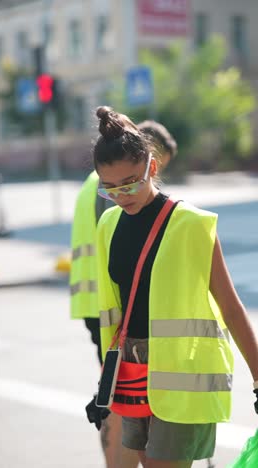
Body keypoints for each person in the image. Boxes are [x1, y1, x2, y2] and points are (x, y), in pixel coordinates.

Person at [92, 105, 258, 468]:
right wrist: (105, 381)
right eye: (111, 188)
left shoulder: (191, 225)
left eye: (132, 182)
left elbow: (230, 306)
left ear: (152, 167)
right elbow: (117, 310)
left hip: (184, 375)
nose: (123, 195)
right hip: (132, 375)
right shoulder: (107, 224)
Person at [70, 119, 177, 468]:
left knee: (114, 395)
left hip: (100, 306)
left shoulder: (98, 181)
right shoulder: (114, 190)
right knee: (116, 398)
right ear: (150, 156)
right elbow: (124, 246)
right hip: (115, 311)